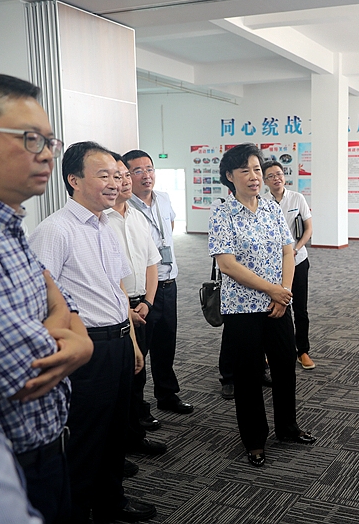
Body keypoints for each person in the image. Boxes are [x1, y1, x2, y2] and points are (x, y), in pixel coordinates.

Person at [29, 142, 156, 523]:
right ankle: (76, 511)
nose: (115, 183)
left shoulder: (105, 225)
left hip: (118, 342)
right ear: (74, 180)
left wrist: (131, 343)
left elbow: (117, 290)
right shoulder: (55, 230)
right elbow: (41, 299)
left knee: (115, 431)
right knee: (85, 438)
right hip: (88, 349)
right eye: (104, 175)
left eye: (117, 175)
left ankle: (110, 501)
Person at [0, 73, 93, 524]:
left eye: (50, 141)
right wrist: (77, 339)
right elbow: (27, 371)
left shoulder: (10, 226)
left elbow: (61, 296)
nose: (48, 153)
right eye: (30, 139)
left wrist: (76, 335)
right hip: (14, 461)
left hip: (48, 444)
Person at [208, 143, 315, 469]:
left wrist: (284, 292)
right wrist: (273, 290)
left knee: (284, 367)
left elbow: (287, 251)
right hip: (243, 309)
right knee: (249, 376)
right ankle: (254, 439)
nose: (254, 176)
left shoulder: (271, 208)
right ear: (230, 176)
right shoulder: (222, 213)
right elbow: (227, 264)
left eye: (257, 169)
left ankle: (287, 427)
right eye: (246, 170)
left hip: (278, 305)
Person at [122, 149, 193, 420]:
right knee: (140, 349)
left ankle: (167, 394)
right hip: (143, 291)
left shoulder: (163, 198)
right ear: (127, 175)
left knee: (166, 343)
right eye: (138, 171)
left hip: (168, 283)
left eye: (149, 169)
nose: (146, 175)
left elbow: (170, 226)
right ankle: (138, 408)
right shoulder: (124, 206)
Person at [106, 154, 168, 458]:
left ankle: (134, 437)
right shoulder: (101, 221)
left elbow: (152, 263)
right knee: (117, 382)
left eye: (125, 175)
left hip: (141, 304)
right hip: (115, 310)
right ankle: (118, 446)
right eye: (117, 176)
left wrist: (147, 302)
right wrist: (125, 309)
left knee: (138, 374)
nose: (125, 181)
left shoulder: (138, 217)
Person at [262, 160, 315, 369]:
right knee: (277, 307)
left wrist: (296, 249)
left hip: (298, 259)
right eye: (271, 176)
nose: (276, 178)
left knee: (300, 308)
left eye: (279, 174)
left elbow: (308, 228)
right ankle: (276, 351)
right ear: (265, 181)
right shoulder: (262, 201)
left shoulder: (297, 198)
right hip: (273, 264)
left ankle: (302, 351)